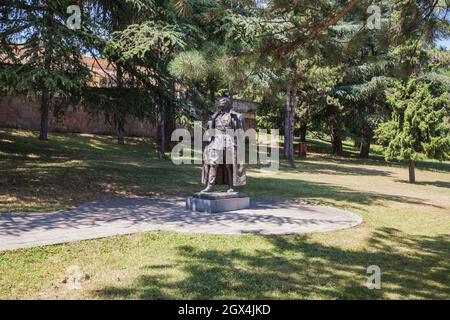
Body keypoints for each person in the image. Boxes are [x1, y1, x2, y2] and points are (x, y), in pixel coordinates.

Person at [201, 97, 246, 193]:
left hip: (229, 142)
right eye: (220, 102)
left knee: (229, 165)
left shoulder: (237, 116)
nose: (220, 103)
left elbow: (242, 132)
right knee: (213, 164)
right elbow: (209, 128)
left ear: (228, 104)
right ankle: (210, 185)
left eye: (223, 102)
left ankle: (231, 186)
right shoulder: (215, 116)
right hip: (216, 142)